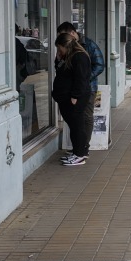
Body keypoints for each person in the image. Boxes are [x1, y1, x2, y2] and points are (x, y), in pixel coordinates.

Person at [57, 22, 105, 158]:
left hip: (87, 89)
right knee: (76, 120)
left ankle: (84, 148)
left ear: (72, 33)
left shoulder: (88, 45)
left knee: (86, 117)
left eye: (63, 35)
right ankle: (78, 148)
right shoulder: (67, 49)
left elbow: (100, 65)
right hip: (74, 89)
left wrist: (83, 79)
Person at [52, 32, 91, 166]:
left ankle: (80, 154)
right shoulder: (68, 56)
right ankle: (78, 151)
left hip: (75, 98)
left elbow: (81, 79)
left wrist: (75, 96)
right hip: (67, 97)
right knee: (74, 126)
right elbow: (60, 71)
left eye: (59, 48)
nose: (58, 51)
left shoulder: (79, 57)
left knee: (77, 126)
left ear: (65, 46)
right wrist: (58, 59)